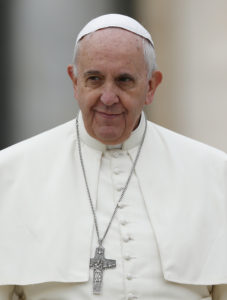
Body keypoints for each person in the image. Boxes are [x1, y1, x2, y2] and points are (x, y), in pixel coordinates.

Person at [0, 13, 226, 300]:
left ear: (151, 86)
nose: (108, 97)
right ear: (74, 82)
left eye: (124, 81)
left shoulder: (214, 174)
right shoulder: (10, 173)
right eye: (94, 79)